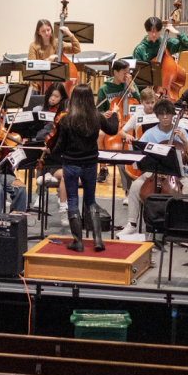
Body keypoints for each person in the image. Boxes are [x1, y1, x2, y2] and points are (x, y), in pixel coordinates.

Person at [47, 84, 119, 251]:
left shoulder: (66, 119)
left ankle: (78, 242)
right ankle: (98, 240)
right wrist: (114, 113)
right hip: (90, 164)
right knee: (90, 200)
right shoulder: (97, 117)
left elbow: (60, 147)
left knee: (72, 200)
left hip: (72, 164)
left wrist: (49, 150)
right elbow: (113, 130)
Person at [118, 99, 188, 241]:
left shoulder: (181, 131)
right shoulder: (150, 133)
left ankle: (180, 227)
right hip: (153, 171)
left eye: (168, 114)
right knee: (135, 187)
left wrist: (184, 140)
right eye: (161, 114)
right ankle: (132, 223)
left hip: (177, 173)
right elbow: (142, 155)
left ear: (173, 115)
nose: (165, 117)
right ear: (157, 116)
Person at [36, 83, 71, 224]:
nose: (52, 99)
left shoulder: (64, 113)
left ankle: (54, 182)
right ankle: (41, 194)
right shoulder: (41, 110)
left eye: (56, 97)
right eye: (50, 96)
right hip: (49, 152)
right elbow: (39, 135)